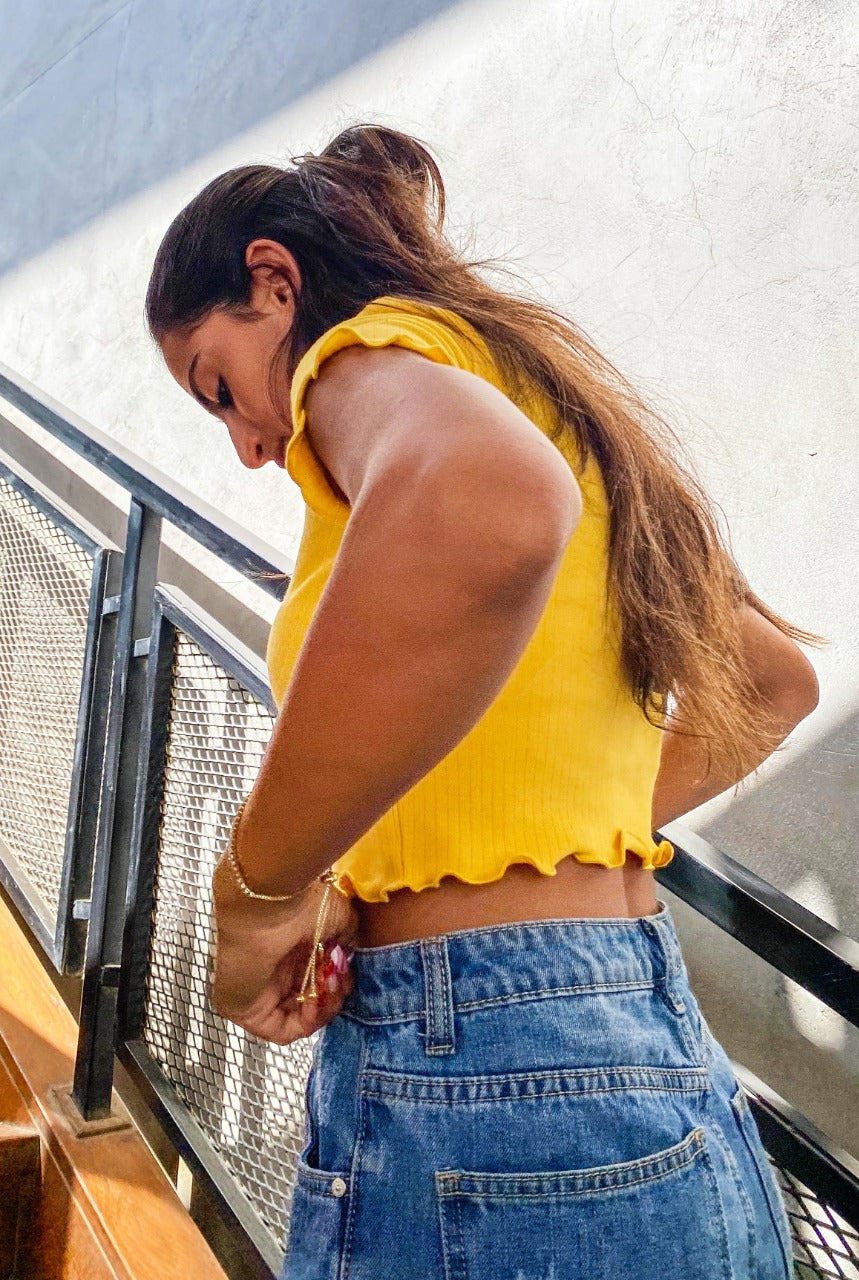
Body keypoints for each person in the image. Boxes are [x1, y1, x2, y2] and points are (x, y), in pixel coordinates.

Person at [146, 123, 819, 1280]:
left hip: (483, 1074)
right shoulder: (550, 401)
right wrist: (498, 855)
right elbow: (769, 680)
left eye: (218, 388)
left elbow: (482, 502)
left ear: (273, 281)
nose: (251, 444)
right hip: (648, 1037)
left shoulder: (356, 359)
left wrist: (258, 894)